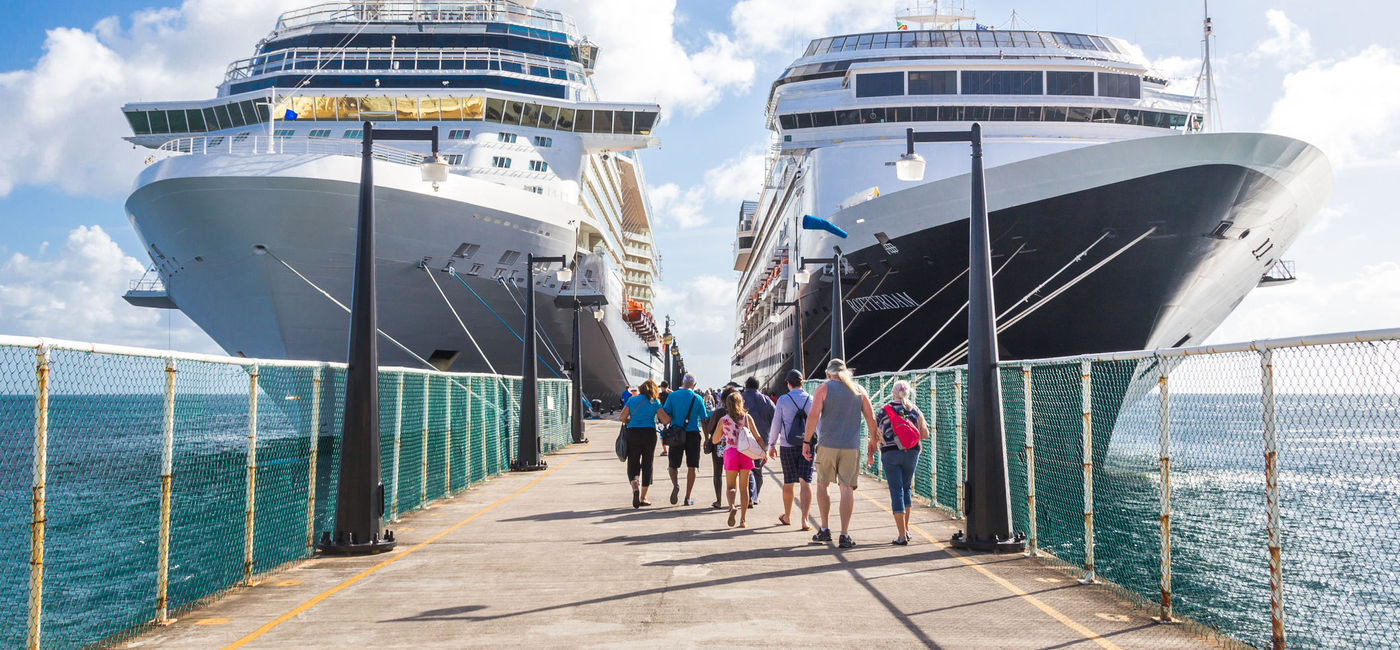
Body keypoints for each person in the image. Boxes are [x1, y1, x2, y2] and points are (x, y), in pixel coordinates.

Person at [802, 359, 878, 549]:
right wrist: (873, 441)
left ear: (829, 374)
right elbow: (871, 417)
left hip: (827, 444)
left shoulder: (823, 389)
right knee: (846, 488)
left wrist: (806, 441)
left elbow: (813, 416)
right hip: (851, 446)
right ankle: (844, 534)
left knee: (822, 484)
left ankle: (825, 528)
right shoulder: (859, 390)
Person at [874, 380, 930, 545]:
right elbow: (925, 434)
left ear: (893, 393)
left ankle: (901, 535)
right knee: (906, 489)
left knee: (896, 491)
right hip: (912, 453)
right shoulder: (915, 410)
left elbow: (877, 434)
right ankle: (906, 530)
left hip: (890, 454)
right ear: (908, 394)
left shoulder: (884, 411)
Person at [768, 370, 813, 529]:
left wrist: (772, 444)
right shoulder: (811, 399)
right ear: (802, 382)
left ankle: (787, 516)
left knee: (788, 482)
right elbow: (818, 423)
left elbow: (776, 423)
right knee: (805, 481)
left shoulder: (783, 400)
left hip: (787, 446)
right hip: (808, 445)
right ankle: (805, 519)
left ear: (788, 383)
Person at [712, 390, 763, 528]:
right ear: (741, 403)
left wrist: (724, 434)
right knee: (744, 487)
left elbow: (715, 440)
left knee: (730, 487)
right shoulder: (746, 418)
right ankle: (743, 520)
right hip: (745, 452)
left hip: (731, 453)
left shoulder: (724, 420)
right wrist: (763, 452)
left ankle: (732, 506)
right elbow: (757, 436)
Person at [618, 379, 669, 508]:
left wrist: (632, 421)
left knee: (633, 462)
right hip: (649, 434)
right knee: (647, 463)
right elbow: (664, 420)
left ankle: (635, 487)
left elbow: (622, 417)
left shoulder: (632, 399)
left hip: (633, 433)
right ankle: (643, 497)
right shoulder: (655, 402)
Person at [661, 374, 709, 506]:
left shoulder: (672, 396)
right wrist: (706, 438)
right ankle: (687, 497)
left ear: (682, 382)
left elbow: (666, 415)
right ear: (694, 384)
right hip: (693, 434)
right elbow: (704, 420)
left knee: (673, 465)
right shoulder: (698, 398)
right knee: (692, 466)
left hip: (676, 433)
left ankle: (676, 484)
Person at [740, 377, 775, 507]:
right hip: (762, 441)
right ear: (758, 386)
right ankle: (755, 496)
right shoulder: (767, 400)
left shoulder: (739, 398)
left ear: (746, 385)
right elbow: (775, 419)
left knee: (746, 469)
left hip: (743, 441)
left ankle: (749, 496)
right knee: (757, 470)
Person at [703, 385, 740, 509]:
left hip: (719, 446)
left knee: (717, 473)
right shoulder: (740, 414)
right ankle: (732, 503)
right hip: (735, 447)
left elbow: (709, 429)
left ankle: (718, 501)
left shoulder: (718, 412)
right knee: (734, 475)